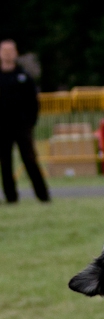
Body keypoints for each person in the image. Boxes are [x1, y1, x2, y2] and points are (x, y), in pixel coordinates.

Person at [0, 39, 50, 203]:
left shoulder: (24, 76)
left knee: (30, 160)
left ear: (15, 53)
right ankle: (11, 198)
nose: (7, 53)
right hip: (2, 128)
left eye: (10, 50)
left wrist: (30, 122)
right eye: (4, 50)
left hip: (22, 126)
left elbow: (33, 102)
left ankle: (43, 195)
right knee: (5, 163)